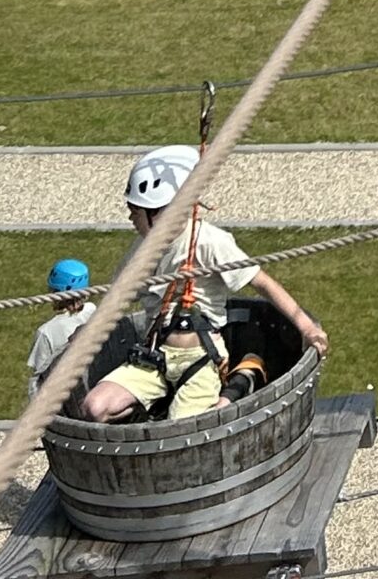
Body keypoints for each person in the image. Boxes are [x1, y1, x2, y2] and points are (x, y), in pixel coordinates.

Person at [78, 147, 328, 424]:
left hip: (200, 358)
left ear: (159, 213)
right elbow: (115, 301)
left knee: (182, 427)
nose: (130, 219)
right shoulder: (141, 250)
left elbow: (262, 282)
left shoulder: (209, 241)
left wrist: (307, 328)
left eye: (135, 211)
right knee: (95, 408)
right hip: (155, 355)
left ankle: (240, 382)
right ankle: (158, 408)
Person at [27, 259, 95, 402]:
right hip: (95, 384)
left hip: (65, 398)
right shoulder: (92, 311)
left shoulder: (47, 332)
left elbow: (40, 376)